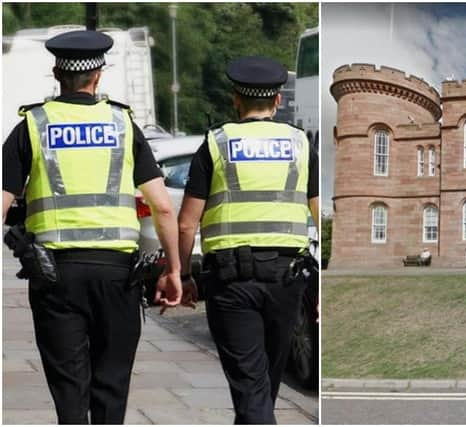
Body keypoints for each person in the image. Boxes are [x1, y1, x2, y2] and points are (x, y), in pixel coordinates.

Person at [2, 30, 182, 424]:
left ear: (56, 73)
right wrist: (173, 270)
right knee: (111, 390)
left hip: (55, 277)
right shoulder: (123, 125)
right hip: (117, 277)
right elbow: (164, 209)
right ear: (98, 76)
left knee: (69, 394)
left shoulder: (31, 126)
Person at [177, 55, 319, 424]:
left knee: (252, 393)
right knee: (261, 391)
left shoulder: (216, 144)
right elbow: (318, 217)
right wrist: (323, 284)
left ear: (235, 99)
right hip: (287, 282)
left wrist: (184, 276)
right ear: (276, 101)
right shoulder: (301, 145)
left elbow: (185, 223)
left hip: (232, 284)